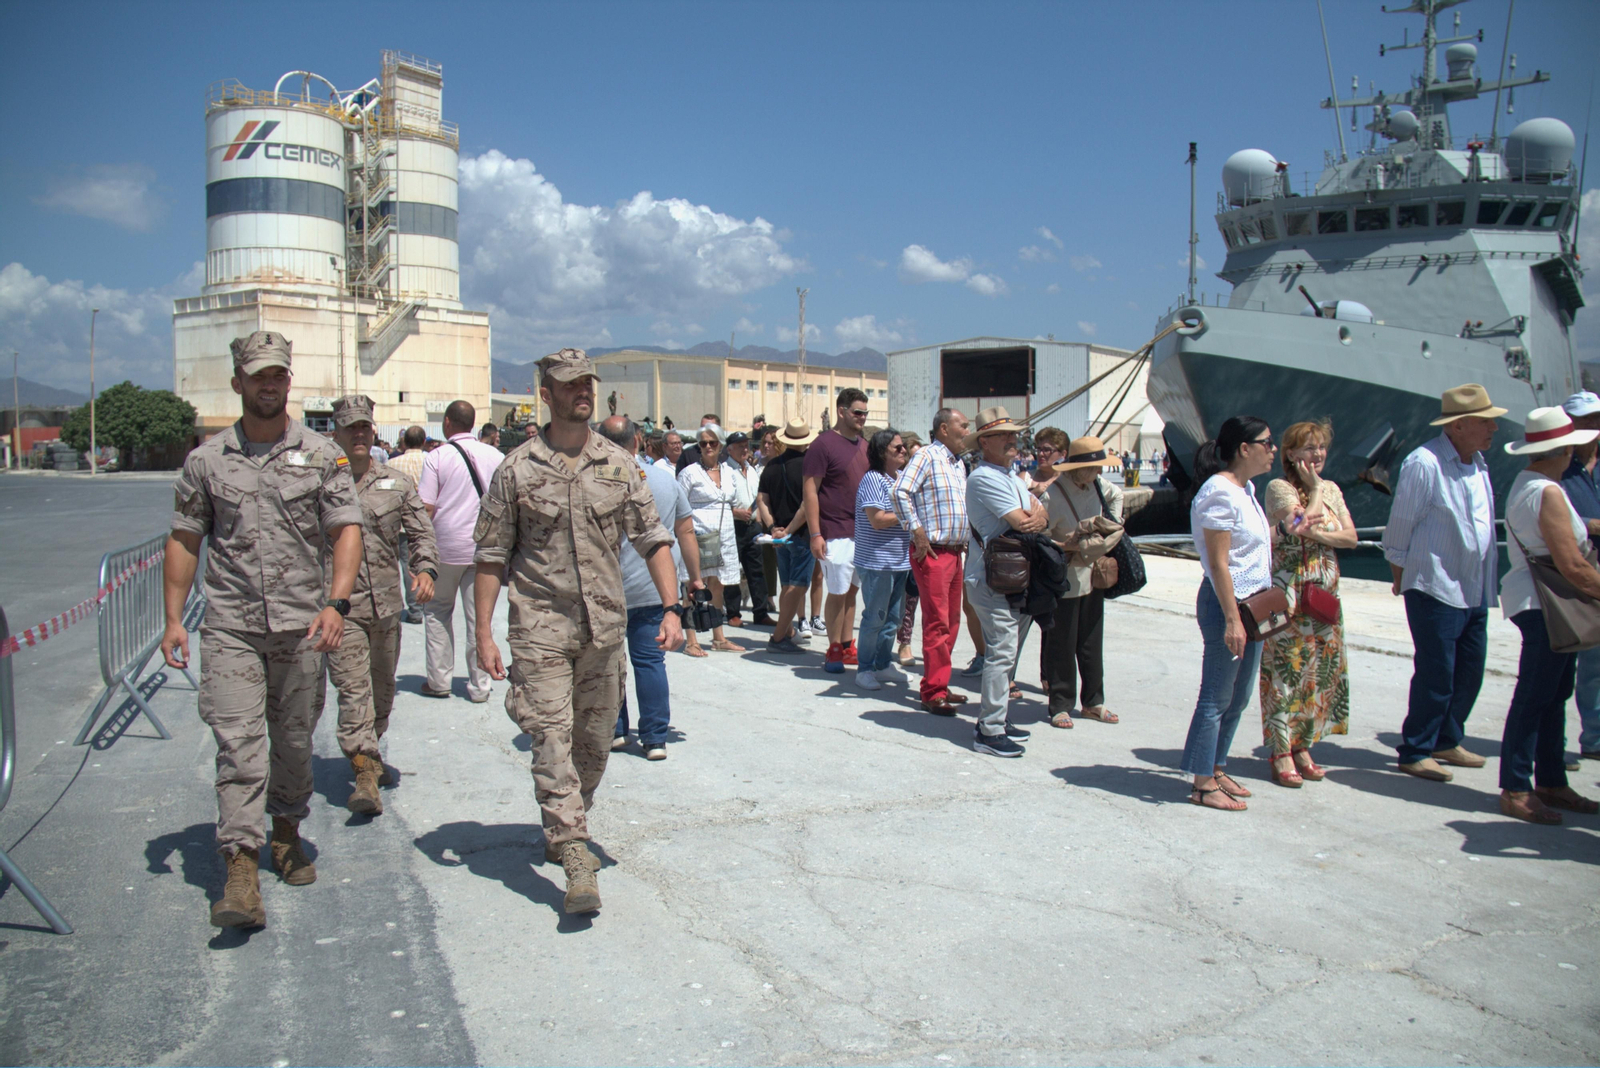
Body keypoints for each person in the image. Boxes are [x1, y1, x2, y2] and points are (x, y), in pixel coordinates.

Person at [160, 331, 364, 928]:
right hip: (231, 625)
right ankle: (241, 868)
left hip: (305, 626)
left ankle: (285, 830)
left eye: (277, 375)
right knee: (240, 746)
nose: (269, 384)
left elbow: (345, 528)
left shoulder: (324, 455)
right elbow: (185, 538)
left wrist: (338, 602)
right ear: (238, 383)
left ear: (288, 381)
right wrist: (173, 619)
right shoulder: (206, 461)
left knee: (295, 742)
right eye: (257, 376)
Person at [474, 348, 684, 915]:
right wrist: (484, 635)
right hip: (540, 626)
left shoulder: (619, 465)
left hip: (605, 628)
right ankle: (573, 851)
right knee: (549, 733)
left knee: (594, 742)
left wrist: (673, 607)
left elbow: (653, 539)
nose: (581, 392)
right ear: (547, 394)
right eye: (568, 385)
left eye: (586, 382)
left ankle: (568, 814)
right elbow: (491, 557)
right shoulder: (515, 469)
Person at [1383, 384, 1503, 782]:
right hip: (1435, 585)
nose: (1493, 428)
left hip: (1474, 588)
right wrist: (1400, 575)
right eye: (1486, 421)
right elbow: (1401, 524)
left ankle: (1446, 739)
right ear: (1459, 425)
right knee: (1437, 672)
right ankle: (1416, 748)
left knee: (1470, 670)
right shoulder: (1425, 463)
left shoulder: (1479, 463)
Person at [326, 395, 439, 814]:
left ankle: (368, 756)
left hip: (387, 606)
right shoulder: (319, 483)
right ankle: (365, 775)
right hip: (341, 610)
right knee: (354, 691)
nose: (358, 435)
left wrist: (425, 569)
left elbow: (421, 533)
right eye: (350, 428)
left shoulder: (395, 483)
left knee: (382, 692)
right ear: (335, 433)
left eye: (364, 428)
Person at [1497, 408, 1600, 823]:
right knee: (1537, 696)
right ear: (1563, 448)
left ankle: (1550, 781)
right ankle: (1518, 787)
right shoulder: (1549, 491)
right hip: (1548, 605)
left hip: (1535, 601)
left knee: (1551, 695)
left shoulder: (1526, 484)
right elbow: (1572, 565)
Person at [1180, 416, 1280, 811]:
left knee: (1237, 696)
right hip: (1229, 604)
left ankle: (1216, 766)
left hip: (1253, 604)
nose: (1273, 449)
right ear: (1244, 448)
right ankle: (1202, 783)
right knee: (1216, 695)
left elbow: (1250, 545)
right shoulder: (1220, 492)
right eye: (1268, 442)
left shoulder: (1246, 490)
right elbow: (1220, 564)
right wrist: (1233, 620)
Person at [598, 416, 703, 760]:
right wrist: (695, 578)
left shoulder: (593, 480)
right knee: (650, 662)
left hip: (606, 589)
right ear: (638, 441)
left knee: (608, 663)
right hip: (653, 588)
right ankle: (655, 737)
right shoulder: (661, 480)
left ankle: (614, 730)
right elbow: (685, 532)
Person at [1259, 421, 1357, 786]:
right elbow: (1298, 522)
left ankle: (1304, 744)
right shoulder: (1279, 488)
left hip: (1324, 597)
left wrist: (1317, 523)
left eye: (1321, 448)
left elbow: (1351, 537)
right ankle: (1281, 751)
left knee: (1316, 673)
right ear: (1290, 454)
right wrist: (1315, 493)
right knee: (1286, 673)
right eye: (1309, 448)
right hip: (1290, 595)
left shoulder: (1332, 489)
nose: (1317, 455)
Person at [964, 406, 1042, 755]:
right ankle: (990, 731)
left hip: (1013, 575)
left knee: (1009, 651)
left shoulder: (1011, 476)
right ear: (985, 441)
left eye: (1014, 434)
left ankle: (997, 717)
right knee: (1002, 651)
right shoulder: (983, 478)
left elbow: (1041, 514)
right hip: (991, 577)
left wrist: (1034, 515)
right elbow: (1023, 520)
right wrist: (1033, 515)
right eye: (1005, 435)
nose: (1014, 440)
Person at [419, 400, 504, 702]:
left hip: (445, 548)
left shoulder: (436, 458)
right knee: (479, 617)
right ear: (474, 424)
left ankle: (439, 681)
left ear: (447, 423)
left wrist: (420, 555)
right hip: (484, 550)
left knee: (438, 612)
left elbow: (426, 507)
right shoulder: (495, 455)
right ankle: (480, 685)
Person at [1039, 435, 1124, 729]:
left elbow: (1118, 497)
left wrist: (1111, 524)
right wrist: (1067, 544)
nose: (1099, 473)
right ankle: (1060, 704)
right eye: (1094, 467)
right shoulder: (1052, 495)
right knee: (1062, 642)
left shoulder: (1098, 487)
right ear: (1077, 468)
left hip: (1094, 573)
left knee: (1091, 640)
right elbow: (1040, 537)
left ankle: (1093, 701)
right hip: (1067, 576)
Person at [894, 408, 973, 713]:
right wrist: (916, 531)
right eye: (962, 425)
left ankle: (938, 681)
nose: (966, 431)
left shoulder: (957, 464)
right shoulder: (927, 456)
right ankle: (933, 691)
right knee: (938, 621)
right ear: (943, 429)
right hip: (934, 551)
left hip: (954, 551)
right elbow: (900, 491)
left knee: (951, 621)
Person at [805, 388, 872, 673]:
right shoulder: (822, 444)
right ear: (842, 411)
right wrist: (815, 533)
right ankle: (832, 648)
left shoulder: (865, 445)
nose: (862, 418)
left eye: (865, 413)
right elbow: (810, 491)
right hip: (835, 531)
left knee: (852, 591)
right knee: (837, 591)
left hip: (863, 532)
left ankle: (846, 645)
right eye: (857, 412)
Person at [1558, 391, 1600, 762]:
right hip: (1576, 573)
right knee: (1577, 663)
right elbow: (1551, 517)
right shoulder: (1559, 470)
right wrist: (1591, 524)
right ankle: (1584, 739)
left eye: (1596, 420)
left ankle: (1595, 738)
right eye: (1584, 420)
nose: (1592, 427)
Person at [677, 422, 744, 655]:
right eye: (703, 443)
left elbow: (734, 501)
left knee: (717, 585)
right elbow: (679, 507)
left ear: (720, 445)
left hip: (724, 535)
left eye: (712, 442)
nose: (707, 447)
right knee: (692, 587)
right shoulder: (689, 473)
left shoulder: (729, 472)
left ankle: (718, 637)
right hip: (698, 536)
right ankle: (691, 640)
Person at [853, 429, 912, 690]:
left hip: (899, 562)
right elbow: (876, 520)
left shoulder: (899, 478)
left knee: (894, 619)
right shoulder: (872, 480)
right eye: (897, 448)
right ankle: (864, 668)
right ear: (881, 452)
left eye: (904, 447)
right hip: (877, 562)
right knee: (875, 617)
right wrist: (909, 514)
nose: (903, 451)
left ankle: (883, 664)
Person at [757, 419, 818, 652]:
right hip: (800, 534)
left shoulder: (771, 466)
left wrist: (774, 528)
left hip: (780, 536)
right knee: (798, 586)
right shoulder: (809, 467)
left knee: (787, 586)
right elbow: (807, 505)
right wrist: (789, 530)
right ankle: (779, 636)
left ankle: (788, 631)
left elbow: (762, 500)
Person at [723, 430, 774, 627]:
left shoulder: (752, 470)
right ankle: (733, 612)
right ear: (729, 449)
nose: (745, 449)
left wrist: (759, 518)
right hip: (734, 526)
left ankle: (760, 612)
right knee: (732, 571)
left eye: (746, 445)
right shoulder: (725, 471)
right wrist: (736, 512)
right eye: (740, 446)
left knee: (756, 570)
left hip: (753, 526)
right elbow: (720, 501)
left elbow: (758, 497)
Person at [388, 425, 430, 624]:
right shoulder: (431, 460)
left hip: (403, 524)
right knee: (429, 562)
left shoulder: (392, 464)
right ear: (423, 442)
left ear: (404, 442)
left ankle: (415, 610)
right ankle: (429, 604)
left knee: (407, 566)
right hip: (429, 521)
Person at [894, 432, 924, 667]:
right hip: (896, 546)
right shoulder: (895, 480)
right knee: (897, 599)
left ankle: (907, 642)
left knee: (912, 597)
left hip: (922, 544)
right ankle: (899, 641)